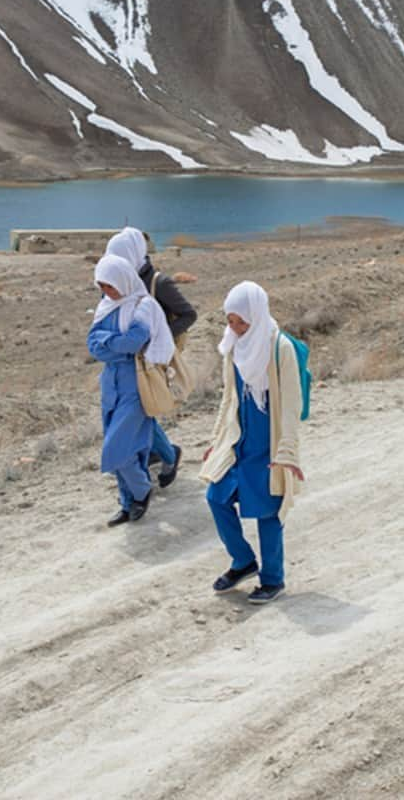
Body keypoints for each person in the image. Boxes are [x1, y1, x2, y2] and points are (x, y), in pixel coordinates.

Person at [200, 281, 303, 605]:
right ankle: (243, 561)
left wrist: (287, 453)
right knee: (216, 497)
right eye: (230, 321)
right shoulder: (232, 347)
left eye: (241, 322)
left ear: (256, 316)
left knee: (267, 511)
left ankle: (273, 579)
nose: (235, 328)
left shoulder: (279, 347)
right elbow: (228, 398)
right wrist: (217, 440)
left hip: (268, 442)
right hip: (239, 439)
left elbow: (290, 405)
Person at [105, 227, 197, 488]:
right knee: (137, 410)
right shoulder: (117, 280)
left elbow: (189, 315)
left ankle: (167, 454)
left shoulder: (159, 283)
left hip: (150, 359)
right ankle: (157, 454)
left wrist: (158, 338)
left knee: (141, 409)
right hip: (123, 358)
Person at [87, 254, 175, 526]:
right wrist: (115, 343)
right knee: (125, 446)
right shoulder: (106, 306)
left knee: (117, 447)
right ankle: (127, 502)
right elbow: (92, 344)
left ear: (123, 281)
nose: (106, 291)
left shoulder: (143, 306)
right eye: (101, 286)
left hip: (136, 384)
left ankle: (141, 489)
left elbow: (134, 343)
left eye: (109, 285)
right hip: (111, 385)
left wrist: (107, 342)